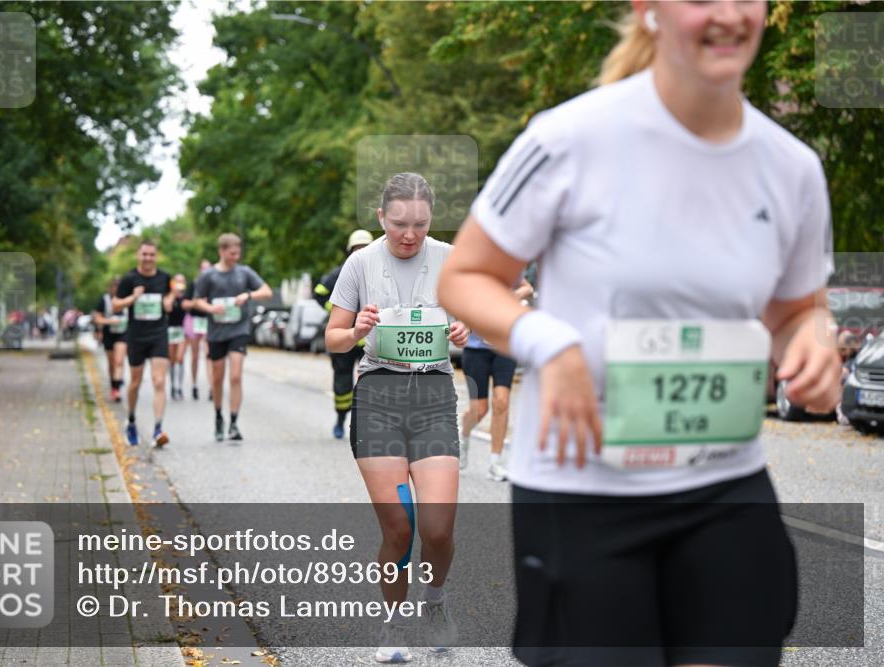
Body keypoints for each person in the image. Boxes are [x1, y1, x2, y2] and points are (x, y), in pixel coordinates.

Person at [437, 2, 840, 666]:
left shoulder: (792, 166)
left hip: (724, 486)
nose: (730, 15)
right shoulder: (568, 139)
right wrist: (549, 341)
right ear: (647, 10)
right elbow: (465, 277)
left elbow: (800, 308)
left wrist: (814, 341)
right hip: (583, 488)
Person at [326, 173, 470, 663]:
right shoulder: (361, 263)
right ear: (381, 217)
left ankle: (435, 599)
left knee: (438, 529)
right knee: (400, 529)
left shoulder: (449, 258)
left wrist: (463, 328)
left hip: (432, 393)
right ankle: (393, 622)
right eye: (399, 224)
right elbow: (333, 337)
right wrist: (357, 329)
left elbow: (471, 315)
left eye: (420, 224)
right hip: (379, 395)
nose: (409, 234)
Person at [193, 233, 273, 442]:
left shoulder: (244, 272)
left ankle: (234, 423)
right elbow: (196, 301)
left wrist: (248, 295)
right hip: (217, 332)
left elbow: (266, 291)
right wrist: (211, 308)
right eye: (231, 253)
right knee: (218, 378)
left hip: (239, 330)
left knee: (236, 375)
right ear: (221, 251)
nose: (235, 257)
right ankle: (219, 416)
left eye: (238, 253)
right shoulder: (209, 275)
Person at [459, 276, 533, 480]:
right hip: (476, 350)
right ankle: (463, 436)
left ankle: (495, 463)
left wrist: (511, 295)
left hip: (504, 348)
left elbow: (527, 288)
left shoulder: (508, 268)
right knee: (479, 409)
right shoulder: (475, 274)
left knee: (501, 401)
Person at [114, 240, 175, 447]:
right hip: (136, 335)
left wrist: (169, 300)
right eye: (144, 254)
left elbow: (171, 295)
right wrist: (132, 298)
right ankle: (131, 421)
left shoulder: (164, 277)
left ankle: (158, 428)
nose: (148, 258)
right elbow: (115, 304)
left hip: (158, 334)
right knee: (135, 382)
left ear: (156, 256)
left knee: (159, 381)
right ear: (138, 255)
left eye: (152, 254)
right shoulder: (129, 278)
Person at [314, 229, 374, 439]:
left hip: (370, 338)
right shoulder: (339, 273)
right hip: (344, 335)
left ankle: (364, 422)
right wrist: (338, 310)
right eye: (357, 248)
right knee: (342, 380)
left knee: (370, 380)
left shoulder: (380, 272)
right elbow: (319, 292)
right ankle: (341, 418)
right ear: (350, 250)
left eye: (365, 248)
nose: (361, 251)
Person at [92, 277, 129, 403]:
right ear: (111, 288)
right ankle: (113, 385)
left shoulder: (127, 299)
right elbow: (97, 318)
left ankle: (117, 389)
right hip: (109, 334)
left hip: (123, 334)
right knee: (112, 363)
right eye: (115, 287)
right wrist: (109, 321)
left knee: (119, 361)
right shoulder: (105, 300)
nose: (117, 290)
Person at [183, 260, 213, 400]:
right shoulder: (194, 284)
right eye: (204, 269)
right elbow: (184, 303)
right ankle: (194, 384)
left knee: (209, 355)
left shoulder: (214, 285)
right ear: (200, 270)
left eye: (209, 269)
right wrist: (197, 302)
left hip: (208, 321)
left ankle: (212, 387)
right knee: (195, 355)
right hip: (194, 321)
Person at [167, 274, 191, 400]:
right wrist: (173, 293)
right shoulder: (169, 296)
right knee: (171, 360)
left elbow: (189, 306)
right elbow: (168, 308)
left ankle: (179, 387)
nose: (180, 284)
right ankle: (172, 385)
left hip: (182, 330)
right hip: (170, 330)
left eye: (182, 281)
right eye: (177, 281)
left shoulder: (186, 297)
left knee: (180, 358)